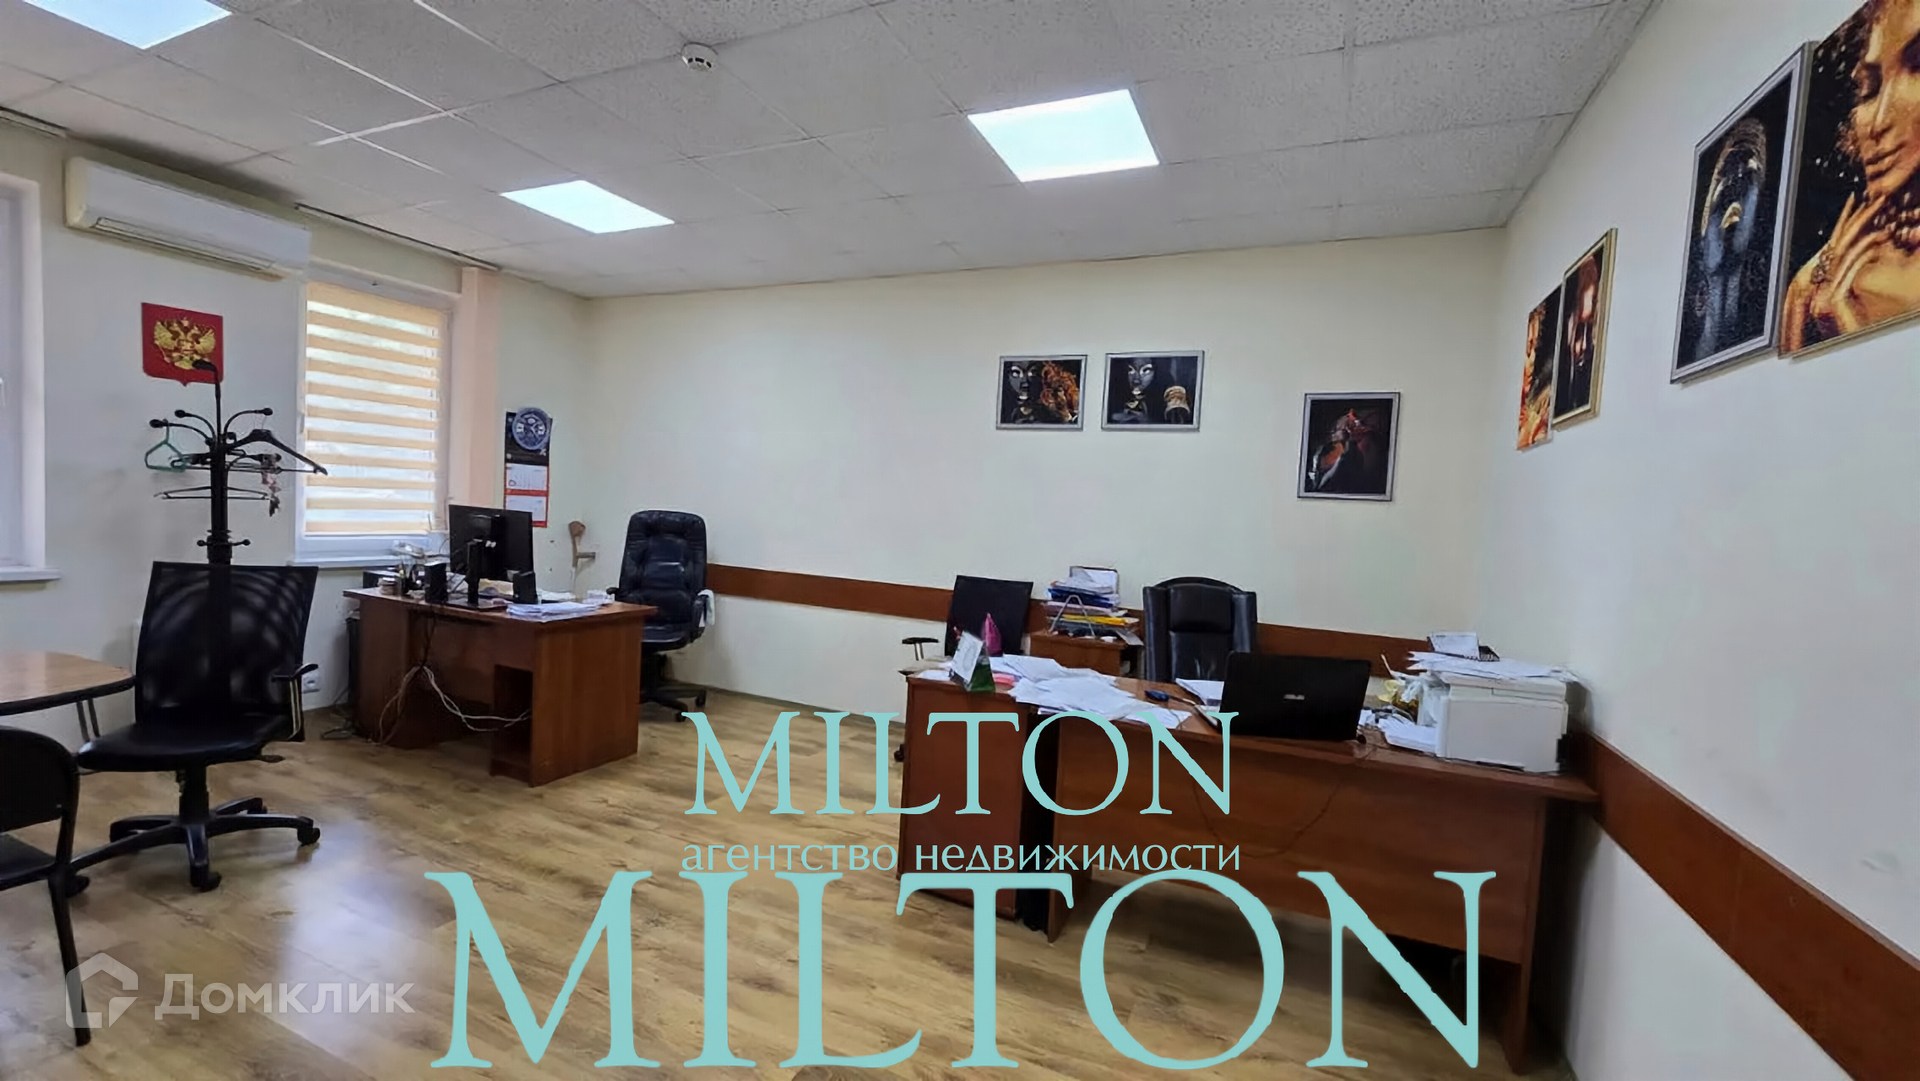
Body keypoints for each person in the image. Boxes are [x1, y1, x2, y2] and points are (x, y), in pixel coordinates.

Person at [1784, 0, 1920, 351]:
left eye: (1918, 66)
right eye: (1869, 89)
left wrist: (1846, 328)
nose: (1879, 122)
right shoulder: (1813, 285)